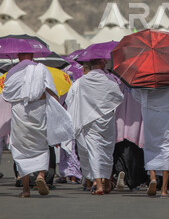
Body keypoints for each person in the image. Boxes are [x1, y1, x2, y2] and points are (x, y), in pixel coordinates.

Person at [2, 53, 57, 197]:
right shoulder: (41, 68)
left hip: (20, 111)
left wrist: (23, 95)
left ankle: (26, 189)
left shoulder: (12, 72)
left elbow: (6, 94)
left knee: (21, 148)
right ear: (32, 55)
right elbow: (51, 92)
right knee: (41, 144)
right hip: (38, 110)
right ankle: (40, 175)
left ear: (19, 56)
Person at [66, 59, 123, 195]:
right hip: (106, 120)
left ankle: (98, 183)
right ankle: (107, 181)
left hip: (89, 120)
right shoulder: (109, 79)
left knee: (94, 150)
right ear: (102, 64)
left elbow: (70, 99)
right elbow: (119, 97)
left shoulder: (82, 81)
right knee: (107, 150)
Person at [133, 84, 169, 197]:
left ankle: (152, 177)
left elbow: (137, 94)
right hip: (167, 114)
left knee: (151, 145)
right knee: (168, 148)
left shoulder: (145, 77)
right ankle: (164, 189)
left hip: (149, 113)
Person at [113, 84, 147, 191]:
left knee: (119, 151)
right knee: (135, 153)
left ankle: (120, 172)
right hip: (136, 123)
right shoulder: (141, 87)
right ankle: (132, 182)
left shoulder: (120, 85)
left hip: (121, 123)